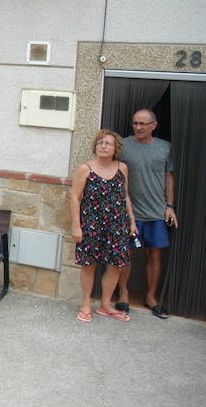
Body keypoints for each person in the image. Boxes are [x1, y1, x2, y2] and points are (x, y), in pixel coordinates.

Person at [117, 109, 177, 319]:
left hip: (156, 211)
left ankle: (151, 297)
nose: (138, 127)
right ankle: (123, 294)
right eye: (135, 123)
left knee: (155, 255)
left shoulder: (165, 148)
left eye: (143, 123)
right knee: (126, 255)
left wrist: (170, 205)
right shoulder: (123, 146)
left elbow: (169, 177)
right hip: (130, 212)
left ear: (154, 125)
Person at [71, 130, 137, 323]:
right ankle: (86, 304)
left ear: (115, 148)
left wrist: (132, 221)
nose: (103, 146)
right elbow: (75, 197)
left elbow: (125, 196)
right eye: (100, 143)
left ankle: (106, 305)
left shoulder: (122, 168)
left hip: (117, 224)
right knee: (89, 265)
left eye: (108, 143)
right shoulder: (85, 168)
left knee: (116, 266)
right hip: (90, 223)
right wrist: (76, 225)